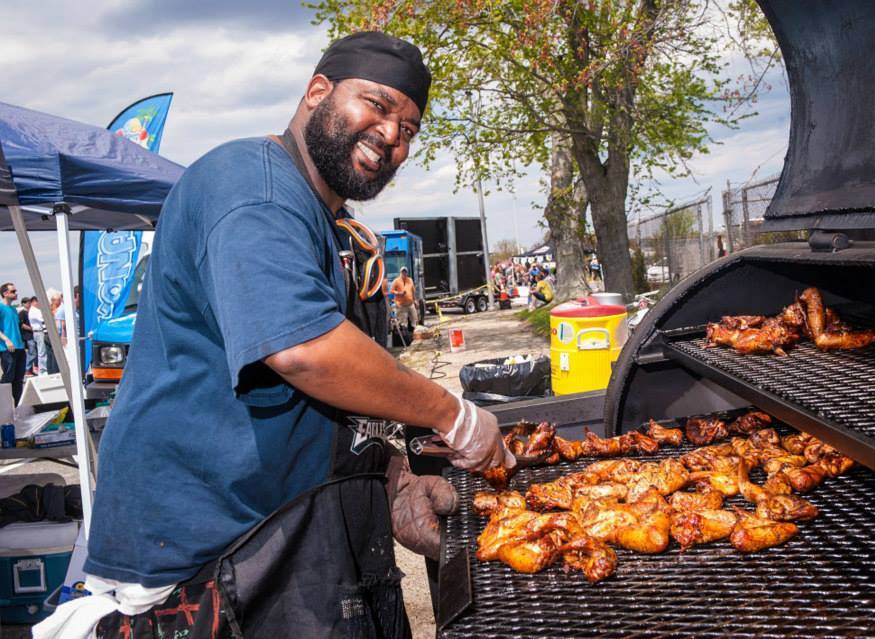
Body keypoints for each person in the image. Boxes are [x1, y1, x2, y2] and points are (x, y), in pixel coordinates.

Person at [41, 32, 513, 639]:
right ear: (318, 91)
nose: (392, 135)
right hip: (208, 557)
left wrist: (389, 480)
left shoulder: (324, 219)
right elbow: (304, 351)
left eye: (409, 127)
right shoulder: (252, 188)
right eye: (376, 104)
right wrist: (455, 415)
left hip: (284, 534)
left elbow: (306, 402)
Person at [0, 282, 26, 403]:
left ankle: (15, 407)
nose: (16, 293)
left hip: (20, 347)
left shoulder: (14, 309)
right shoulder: (1, 307)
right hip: (7, 348)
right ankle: (3, 405)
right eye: (13, 291)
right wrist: (6, 339)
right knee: (8, 377)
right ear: (5, 293)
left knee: (19, 379)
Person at [45, 289, 62, 375]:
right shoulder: (57, 310)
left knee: (50, 355)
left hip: (47, 334)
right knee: (55, 355)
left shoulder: (49, 309)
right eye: (59, 299)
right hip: (53, 334)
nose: (61, 301)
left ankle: (51, 373)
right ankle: (55, 373)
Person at [28, 296, 46, 375]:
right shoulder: (35, 310)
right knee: (42, 352)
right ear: (34, 301)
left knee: (41, 351)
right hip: (39, 332)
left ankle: (42, 369)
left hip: (37, 332)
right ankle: (43, 370)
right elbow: (44, 319)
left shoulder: (33, 310)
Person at [19, 296, 35, 377]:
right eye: (27, 302)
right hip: (27, 335)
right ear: (23, 303)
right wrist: (31, 328)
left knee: (32, 353)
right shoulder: (22, 313)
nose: (29, 304)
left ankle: (30, 370)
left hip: (31, 334)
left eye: (29, 302)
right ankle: (27, 369)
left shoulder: (31, 312)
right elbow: (21, 324)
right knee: (32, 353)